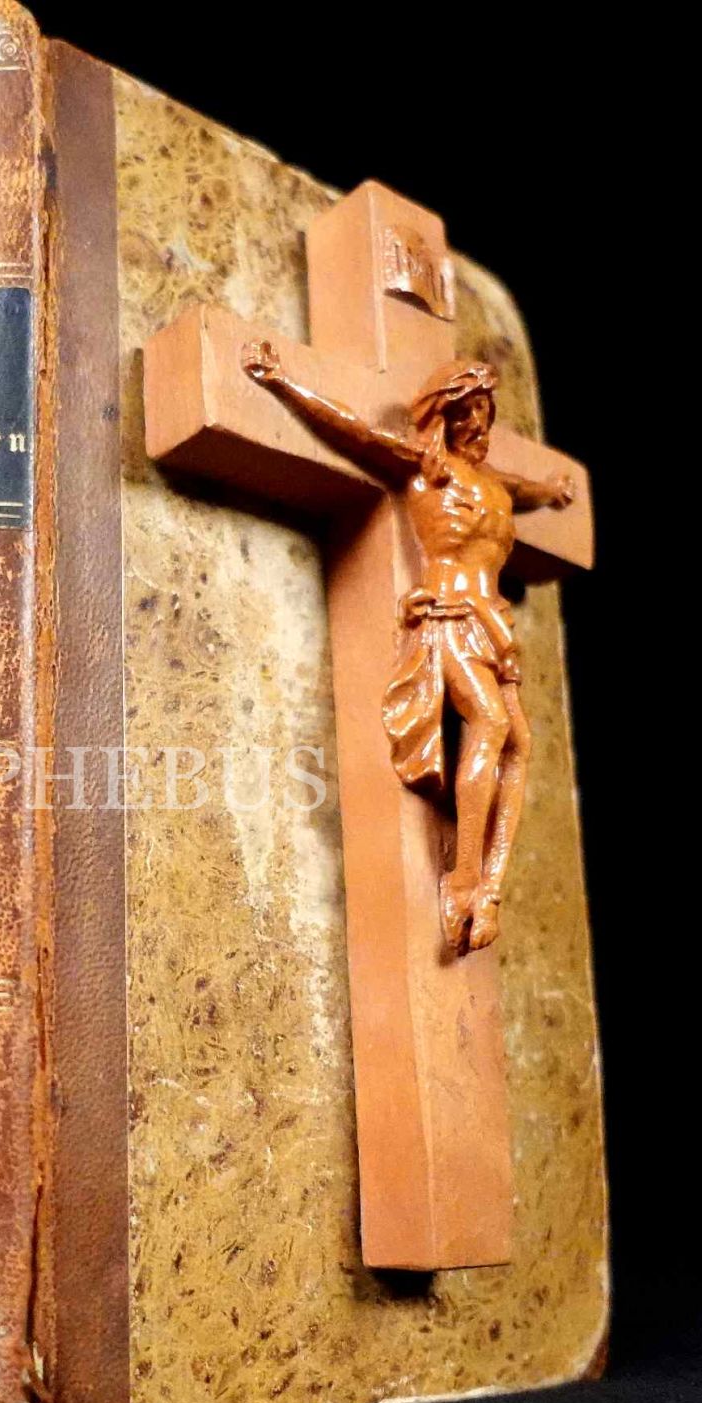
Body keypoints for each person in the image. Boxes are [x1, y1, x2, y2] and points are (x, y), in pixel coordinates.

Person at [242, 343, 573, 951]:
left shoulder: (493, 482)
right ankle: (463, 876)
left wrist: (551, 492)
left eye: (483, 409)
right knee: (492, 723)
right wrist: (283, 382)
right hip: (448, 615)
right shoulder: (424, 466)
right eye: (464, 410)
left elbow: (524, 491)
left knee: (520, 745)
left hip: (495, 626)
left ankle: (489, 887)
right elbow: (354, 430)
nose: (476, 422)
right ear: (442, 415)